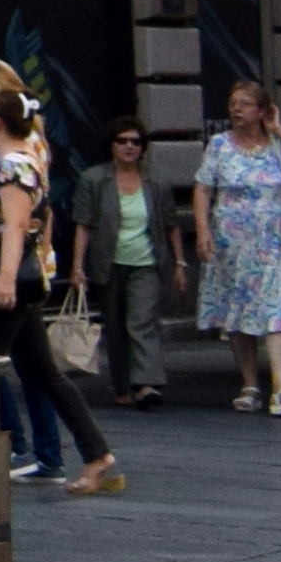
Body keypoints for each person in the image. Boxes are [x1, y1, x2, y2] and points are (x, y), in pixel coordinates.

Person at [0, 64, 125, 496]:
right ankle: (97, 455)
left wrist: (3, 279)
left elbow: (17, 226)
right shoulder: (22, 158)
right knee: (46, 374)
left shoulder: (14, 165)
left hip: (16, 282)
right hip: (29, 279)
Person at [189, 79, 281, 415]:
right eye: (233, 103)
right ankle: (250, 384)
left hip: (275, 241)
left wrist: (280, 128)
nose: (236, 109)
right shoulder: (219, 145)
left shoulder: (276, 144)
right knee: (239, 311)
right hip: (232, 243)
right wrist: (202, 231)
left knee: (279, 309)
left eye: (245, 104)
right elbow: (203, 188)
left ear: (262, 111)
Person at [93, 118, 173, 405]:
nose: (129, 146)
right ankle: (123, 385)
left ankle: (147, 383)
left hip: (146, 262)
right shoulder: (95, 180)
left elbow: (171, 224)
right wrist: (77, 268)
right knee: (115, 326)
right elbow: (83, 224)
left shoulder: (155, 183)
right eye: (122, 140)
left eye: (135, 141)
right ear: (112, 145)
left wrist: (181, 265)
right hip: (109, 263)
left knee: (142, 322)